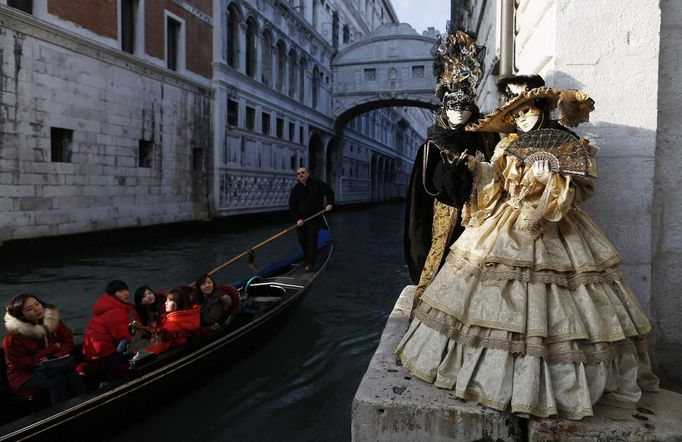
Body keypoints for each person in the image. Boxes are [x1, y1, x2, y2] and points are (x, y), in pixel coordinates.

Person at [396, 85, 659, 420]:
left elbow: (577, 191)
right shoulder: (507, 143)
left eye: (528, 111)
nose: (521, 119)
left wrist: (551, 182)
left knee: (561, 302)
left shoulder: (563, 142)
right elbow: (496, 181)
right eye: (516, 114)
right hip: (504, 222)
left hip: (554, 228)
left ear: (542, 111)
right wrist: (479, 169)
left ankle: (560, 383)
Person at [404, 27, 498, 311]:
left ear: (473, 108)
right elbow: (419, 204)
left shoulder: (487, 137)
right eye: (452, 105)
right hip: (442, 224)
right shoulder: (431, 147)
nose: (458, 111)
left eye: (464, 105)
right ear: (442, 106)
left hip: (481, 222)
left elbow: (499, 175)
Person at [3, 293, 85, 404]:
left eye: (37, 304)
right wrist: (50, 350)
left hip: (53, 365)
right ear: (21, 315)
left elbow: (67, 341)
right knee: (56, 380)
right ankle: (60, 414)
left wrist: (56, 356)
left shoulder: (53, 323)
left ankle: (82, 405)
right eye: (29, 309)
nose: (37, 309)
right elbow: (23, 365)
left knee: (71, 373)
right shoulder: (14, 338)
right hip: (24, 376)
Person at [81, 280, 140, 383]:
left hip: (91, 356)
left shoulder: (105, 308)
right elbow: (123, 336)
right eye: (120, 291)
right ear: (113, 295)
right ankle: (110, 381)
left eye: (126, 290)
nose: (125, 293)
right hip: (104, 357)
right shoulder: (116, 311)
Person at [288, 167, 334, 271]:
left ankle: (310, 263)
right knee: (302, 239)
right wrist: (297, 219)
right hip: (301, 220)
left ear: (308, 174)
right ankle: (308, 258)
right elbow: (292, 206)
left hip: (315, 217)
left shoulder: (317, 184)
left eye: (303, 173)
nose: (300, 175)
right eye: (298, 174)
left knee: (311, 240)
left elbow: (329, 192)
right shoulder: (296, 189)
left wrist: (329, 203)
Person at [146, 289, 200, 355]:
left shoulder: (170, 326)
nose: (165, 303)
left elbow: (155, 350)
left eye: (169, 301)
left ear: (178, 303)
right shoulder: (193, 315)